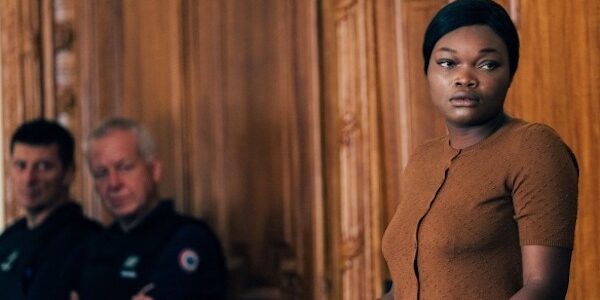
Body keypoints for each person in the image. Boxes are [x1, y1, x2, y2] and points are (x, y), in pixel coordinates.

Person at [380, 1, 578, 299]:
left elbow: (544, 287)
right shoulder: (423, 159)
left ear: (511, 73)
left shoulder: (533, 147)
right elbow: (403, 288)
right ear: (427, 71)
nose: (464, 78)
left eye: (487, 64)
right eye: (448, 63)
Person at [76, 117, 228, 299]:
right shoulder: (96, 245)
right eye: (102, 174)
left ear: (154, 170)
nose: (114, 183)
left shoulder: (187, 237)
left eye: (124, 167)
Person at [0, 119, 102, 300]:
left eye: (43, 167)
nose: (29, 179)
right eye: (21, 165)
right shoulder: (9, 239)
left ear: (68, 173)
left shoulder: (92, 243)